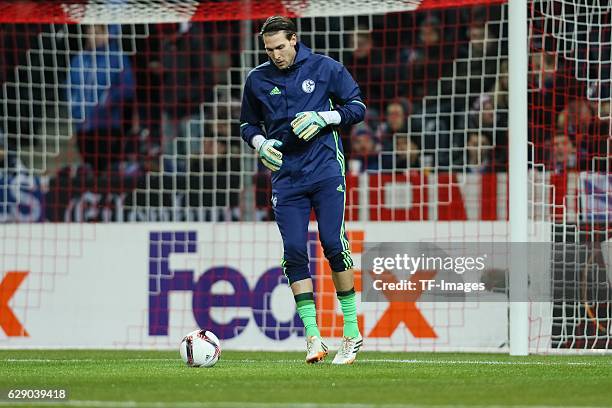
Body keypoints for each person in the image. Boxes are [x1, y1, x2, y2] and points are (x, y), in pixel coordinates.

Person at [240, 16, 365, 364]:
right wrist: (260, 142)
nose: (276, 54)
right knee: (294, 251)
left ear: (294, 40)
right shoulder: (257, 79)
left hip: (325, 170)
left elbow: (358, 107)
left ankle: (351, 333)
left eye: (281, 46)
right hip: (286, 177)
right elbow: (247, 124)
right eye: (269, 49)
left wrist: (327, 118)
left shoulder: (326, 68)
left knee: (332, 242)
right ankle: (313, 337)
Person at [67, 24, 135, 174]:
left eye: (98, 32)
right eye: (91, 32)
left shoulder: (117, 57)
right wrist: (76, 111)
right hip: (84, 127)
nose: (94, 36)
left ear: (106, 34)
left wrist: (107, 101)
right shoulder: (78, 60)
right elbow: (71, 90)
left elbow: (128, 87)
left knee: (109, 170)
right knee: (91, 168)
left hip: (108, 125)